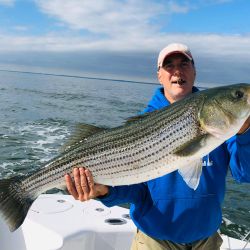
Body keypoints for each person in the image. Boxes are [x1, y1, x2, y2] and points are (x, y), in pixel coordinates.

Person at [65, 43, 250, 250]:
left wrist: (245, 132)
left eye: (184, 64)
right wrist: (104, 191)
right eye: (169, 66)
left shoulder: (232, 130)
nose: (177, 71)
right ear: (159, 76)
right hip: (155, 242)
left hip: (207, 241)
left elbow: (245, 174)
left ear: (195, 71)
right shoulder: (143, 123)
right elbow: (135, 191)